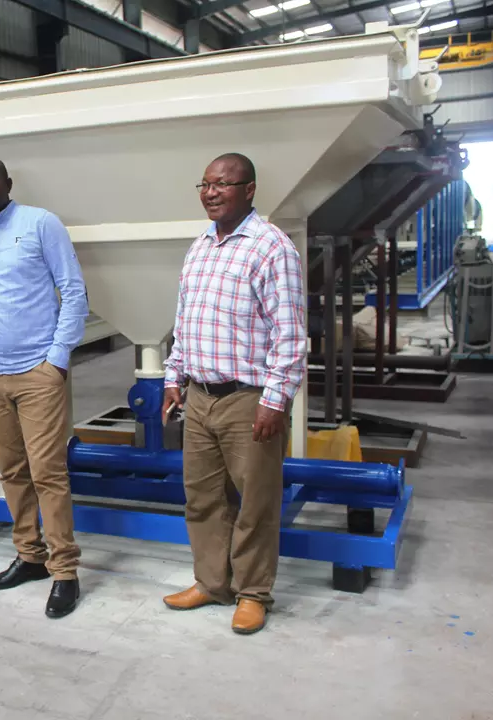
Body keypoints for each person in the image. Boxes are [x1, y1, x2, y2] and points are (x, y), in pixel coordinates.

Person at [160, 152, 306, 635]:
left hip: (249, 397)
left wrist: (275, 400)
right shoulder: (200, 247)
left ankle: (253, 593)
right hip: (200, 395)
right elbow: (185, 321)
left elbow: (290, 334)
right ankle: (212, 583)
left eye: (222, 184)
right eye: (205, 184)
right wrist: (173, 377)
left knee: (255, 501)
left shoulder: (271, 248)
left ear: (249, 190)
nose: (211, 193)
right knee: (202, 498)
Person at [0, 155, 89, 619]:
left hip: (37, 374)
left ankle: (64, 570)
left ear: (7, 183)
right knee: (11, 471)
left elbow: (73, 291)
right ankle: (30, 555)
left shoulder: (40, 224)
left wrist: (57, 359)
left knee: (48, 473)